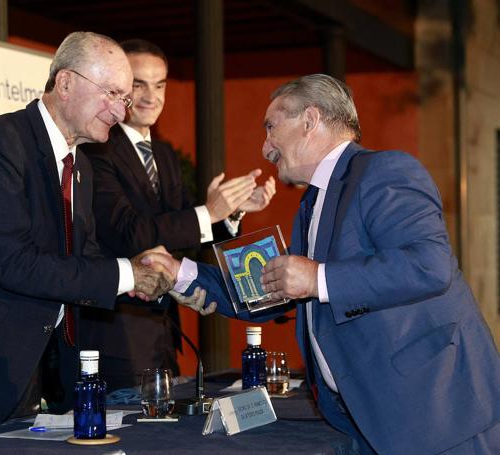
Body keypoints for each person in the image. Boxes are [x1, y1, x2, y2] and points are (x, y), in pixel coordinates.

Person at [149, 74, 500, 454]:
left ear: (310, 119)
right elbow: (271, 289)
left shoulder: (385, 171)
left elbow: (429, 266)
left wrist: (317, 277)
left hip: (436, 415)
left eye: (270, 127)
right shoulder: (312, 204)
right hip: (370, 418)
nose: (265, 147)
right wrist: (179, 271)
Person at [0, 32, 189, 439]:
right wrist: (126, 274)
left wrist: (143, 277)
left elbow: (81, 262)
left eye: (124, 99)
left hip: (27, 378)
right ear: (66, 83)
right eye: (113, 94)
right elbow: (15, 263)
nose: (121, 111)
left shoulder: (80, 167)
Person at [78, 39, 275, 389]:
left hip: (163, 334)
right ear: (118, 87)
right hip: (116, 335)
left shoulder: (164, 154)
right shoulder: (93, 150)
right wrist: (207, 211)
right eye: (138, 84)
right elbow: (130, 235)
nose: (150, 96)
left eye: (160, 84)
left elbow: (183, 230)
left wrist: (230, 213)